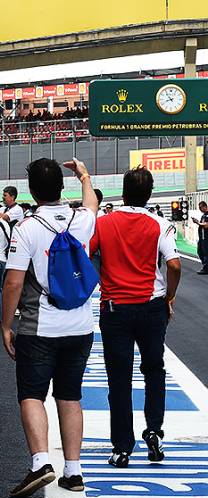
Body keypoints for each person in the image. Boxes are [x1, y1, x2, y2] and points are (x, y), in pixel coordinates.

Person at [2, 157, 98, 498]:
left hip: (39, 327)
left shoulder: (26, 228)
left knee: (31, 394)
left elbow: (13, 283)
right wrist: (84, 176)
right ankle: (73, 472)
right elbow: (91, 202)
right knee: (70, 396)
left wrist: (5, 325)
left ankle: (40, 463)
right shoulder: (83, 220)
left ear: (31, 191)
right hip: (81, 326)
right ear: (61, 188)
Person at [91, 167, 181, 469]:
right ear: (150, 193)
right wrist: (169, 296)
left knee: (119, 379)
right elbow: (175, 264)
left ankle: (122, 448)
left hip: (116, 307)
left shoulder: (103, 223)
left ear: (123, 191)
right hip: (152, 306)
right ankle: (154, 431)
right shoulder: (160, 223)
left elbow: (86, 254)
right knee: (154, 370)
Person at [193, 201, 208, 275]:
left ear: (205, 206)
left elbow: (206, 225)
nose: (200, 209)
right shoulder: (203, 215)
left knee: (206, 253)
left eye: (201, 207)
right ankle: (205, 265)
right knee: (200, 251)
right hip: (202, 238)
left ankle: (206, 268)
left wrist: (197, 222)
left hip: (206, 238)